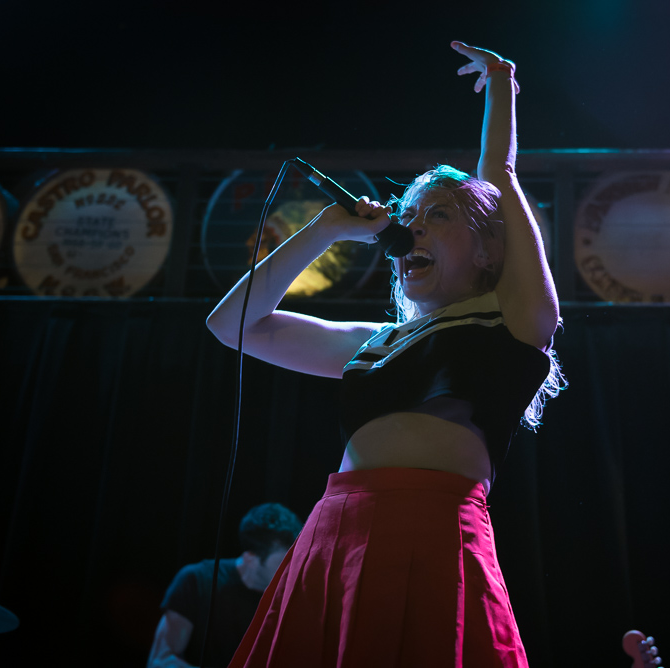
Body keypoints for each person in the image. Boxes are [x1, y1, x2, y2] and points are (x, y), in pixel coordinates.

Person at [206, 41, 564, 667]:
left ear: (486, 251)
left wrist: (503, 86)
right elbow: (231, 324)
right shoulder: (372, 343)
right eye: (408, 218)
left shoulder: (511, 319)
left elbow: (499, 176)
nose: (414, 227)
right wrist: (325, 231)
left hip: (434, 527)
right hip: (337, 531)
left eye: (440, 216)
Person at [147, 503, 302, 668]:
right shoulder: (197, 580)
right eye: (283, 562)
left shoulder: (297, 596)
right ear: (250, 559)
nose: (292, 569)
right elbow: (160, 660)